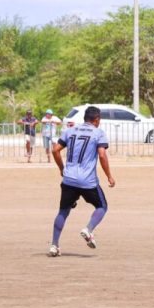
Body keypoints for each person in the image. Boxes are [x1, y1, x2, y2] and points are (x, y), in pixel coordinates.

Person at [48, 106, 115, 257]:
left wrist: (61, 168)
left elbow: (55, 150)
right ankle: (88, 229)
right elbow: (102, 155)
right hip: (88, 181)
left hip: (69, 179)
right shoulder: (98, 133)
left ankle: (54, 245)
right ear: (97, 119)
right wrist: (109, 176)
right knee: (102, 206)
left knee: (63, 211)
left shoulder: (70, 131)